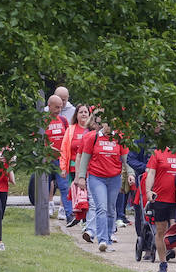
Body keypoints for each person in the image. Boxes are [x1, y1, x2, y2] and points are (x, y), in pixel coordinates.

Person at [73, 110, 128, 252]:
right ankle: (102, 240)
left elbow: (125, 160)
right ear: (102, 123)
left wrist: (130, 174)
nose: (109, 126)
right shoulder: (93, 138)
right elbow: (84, 159)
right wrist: (81, 177)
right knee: (101, 208)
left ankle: (109, 237)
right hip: (96, 177)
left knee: (111, 209)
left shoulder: (120, 139)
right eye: (107, 123)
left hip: (114, 178)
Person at [145, 146, 176, 272]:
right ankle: (163, 262)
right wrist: (148, 190)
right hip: (160, 197)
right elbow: (151, 173)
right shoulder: (158, 153)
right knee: (161, 230)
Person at [42, 95, 74, 224]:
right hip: (46, 161)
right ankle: (42, 213)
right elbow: (35, 140)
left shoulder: (63, 120)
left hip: (60, 160)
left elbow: (68, 138)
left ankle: (69, 214)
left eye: (61, 107)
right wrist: (46, 149)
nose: (59, 110)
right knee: (44, 187)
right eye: (56, 107)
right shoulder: (43, 121)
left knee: (64, 186)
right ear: (49, 106)